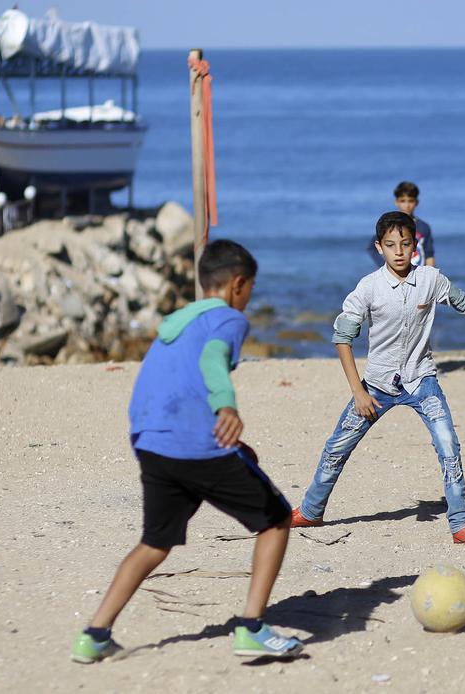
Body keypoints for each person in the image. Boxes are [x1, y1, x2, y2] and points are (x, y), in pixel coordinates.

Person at [71, 240, 304, 664]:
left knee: (155, 543)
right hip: (193, 446)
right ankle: (251, 628)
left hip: (150, 441)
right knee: (275, 519)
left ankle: (94, 635)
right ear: (237, 285)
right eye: (250, 287)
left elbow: (176, 383)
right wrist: (226, 405)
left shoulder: (176, 323)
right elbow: (214, 361)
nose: (250, 297)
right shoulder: (229, 320)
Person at [293, 211, 465, 547]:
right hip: (377, 386)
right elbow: (342, 337)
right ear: (379, 248)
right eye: (390, 245)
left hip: (421, 381)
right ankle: (311, 510)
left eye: (405, 244)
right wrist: (358, 392)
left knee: (448, 446)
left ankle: (460, 524)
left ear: (415, 246)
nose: (398, 251)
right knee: (337, 448)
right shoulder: (368, 288)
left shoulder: (430, 279)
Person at [367, 181, 435, 267]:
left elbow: (429, 254)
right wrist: (384, 265)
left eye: (411, 201)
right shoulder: (389, 225)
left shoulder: (424, 227)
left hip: (418, 272)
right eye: (403, 201)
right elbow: (372, 248)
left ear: (416, 202)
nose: (407, 205)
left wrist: (431, 274)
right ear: (396, 202)